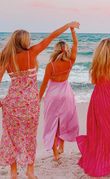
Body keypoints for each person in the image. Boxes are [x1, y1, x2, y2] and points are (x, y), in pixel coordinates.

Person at [0, 21, 79, 179]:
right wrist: (68, 26)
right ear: (24, 41)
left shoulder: (6, 57)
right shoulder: (32, 53)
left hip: (12, 103)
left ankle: (13, 172)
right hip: (30, 103)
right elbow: (52, 36)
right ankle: (30, 171)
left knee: (10, 137)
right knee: (29, 137)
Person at [76, 18, 110, 177]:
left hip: (98, 101)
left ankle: (101, 158)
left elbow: (95, 82)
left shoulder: (97, 64)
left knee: (99, 132)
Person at [39, 26, 79, 161]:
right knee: (63, 121)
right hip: (66, 95)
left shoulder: (51, 65)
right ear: (66, 50)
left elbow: (44, 84)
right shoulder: (70, 62)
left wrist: (38, 98)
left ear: (55, 50)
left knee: (52, 124)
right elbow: (76, 44)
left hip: (53, 96)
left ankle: (55, 153)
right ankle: (61, 146)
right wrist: (73, 31)